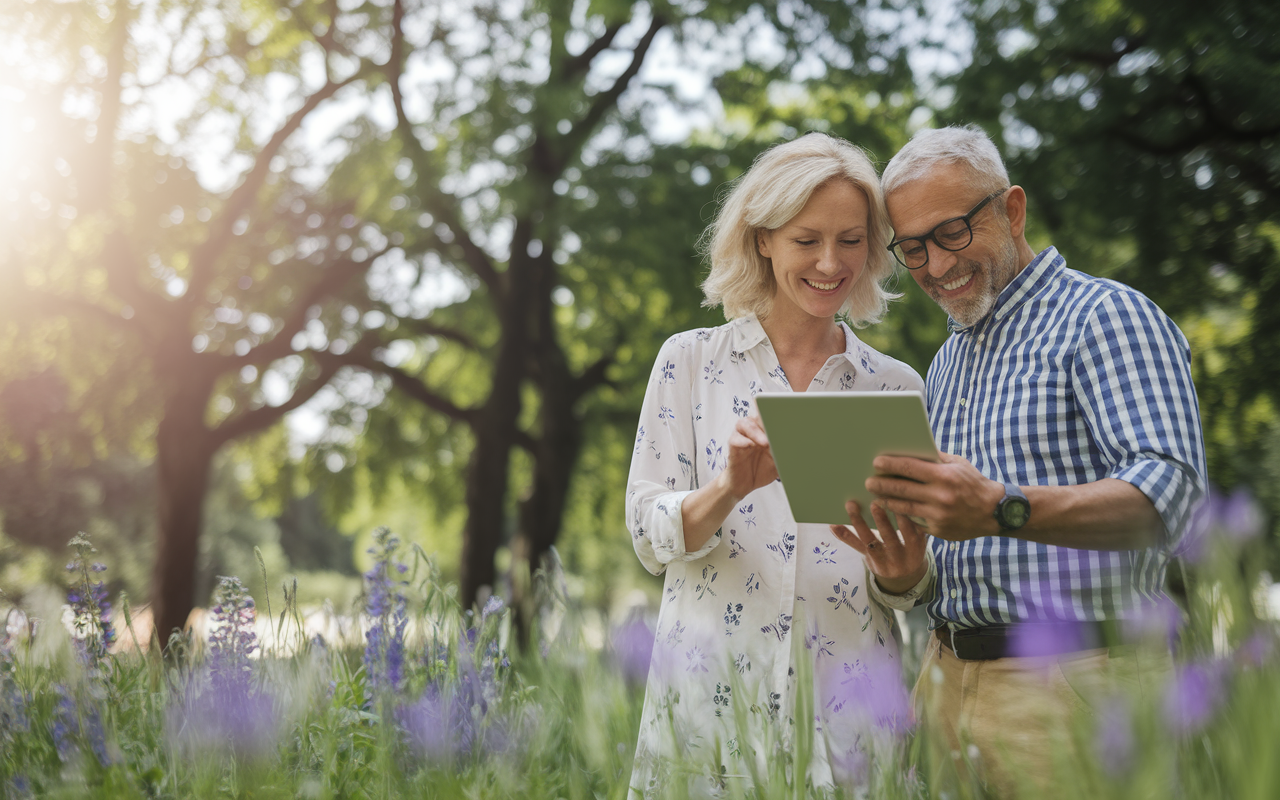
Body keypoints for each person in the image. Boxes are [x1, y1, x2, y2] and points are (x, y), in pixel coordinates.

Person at [829, 125, 1208, 797]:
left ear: (1012, 211)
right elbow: (955, 537)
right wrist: (906, 567)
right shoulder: (946, 363)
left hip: (1083, 682)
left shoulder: (1105, 316)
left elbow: (1170, 494)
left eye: (950, 232)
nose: (935, 265)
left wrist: (1003, 507)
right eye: (912, 247)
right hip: (948, 680)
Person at [625, 133, 923, 797]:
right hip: (708, 723)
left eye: (851, 240)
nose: (829, 262)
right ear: (763, 239)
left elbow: (906, 582)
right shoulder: (690, 361)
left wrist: (904, 575)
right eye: (806, 239)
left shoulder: (897, 387)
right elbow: (648, 535)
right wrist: (728, 489)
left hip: (850, 737)